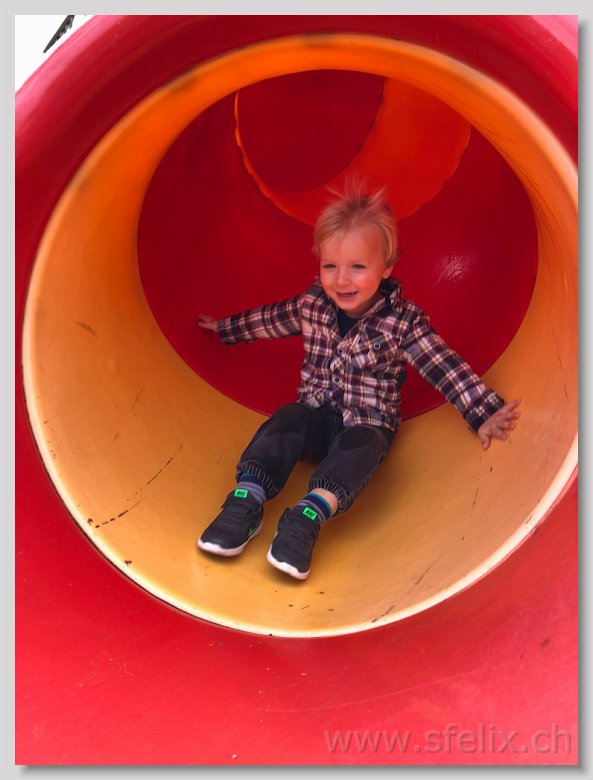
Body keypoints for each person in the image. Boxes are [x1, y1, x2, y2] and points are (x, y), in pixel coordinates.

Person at [196, 186, 521, 580]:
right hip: (316, 416)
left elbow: (442, 364)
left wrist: (482, 412)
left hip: (367, 422)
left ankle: (307, 515)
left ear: (387, 267)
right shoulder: (313, 304)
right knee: (286, 419)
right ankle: (247, 499)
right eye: (330, 266)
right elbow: (270, 319)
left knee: (363, 447)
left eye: (357, 267)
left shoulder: (402, 323)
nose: (341, 280)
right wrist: (224, 329)